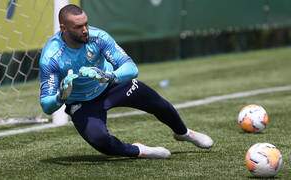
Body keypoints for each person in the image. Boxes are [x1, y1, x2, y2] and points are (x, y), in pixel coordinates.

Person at [39, 4, 213, 159]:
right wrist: (61, 97)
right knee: (101, 141)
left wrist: (110, 76)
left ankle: (183, 133)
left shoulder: (98, 37)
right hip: (81, 102)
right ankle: (140, 150)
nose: (85, 30)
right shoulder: (51, 58)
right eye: (78, 26)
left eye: (86, 23)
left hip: (110, 84)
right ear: (63, 28)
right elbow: (47, 106)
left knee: (158, 103)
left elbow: (131, 68)